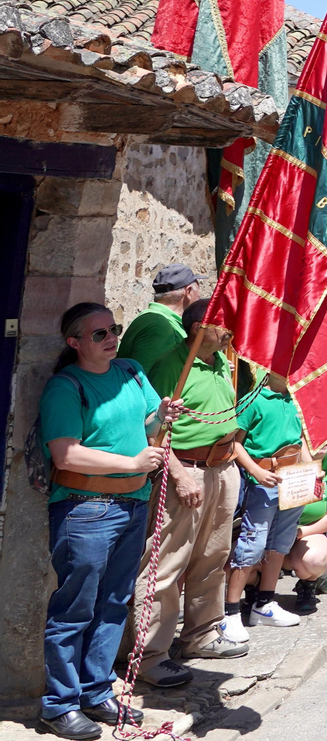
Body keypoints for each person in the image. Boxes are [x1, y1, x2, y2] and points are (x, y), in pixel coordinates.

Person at [37, 302, 176, 739]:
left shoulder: (132, 372)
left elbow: (150, 422)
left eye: (113, 329)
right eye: (99, 334)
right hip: (85, 507)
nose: (111, 337)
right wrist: (132, 461)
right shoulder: (66, 387)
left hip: (132, 504)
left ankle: (96, 692)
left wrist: (162, 416)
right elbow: (66, 453)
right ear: (74, 342)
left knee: (115, 602)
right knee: (75, 608)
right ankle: (59, 703)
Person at [126, 296, 244, 685]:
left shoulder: (221, 361)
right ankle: (149, 655)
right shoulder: (169, 366)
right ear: (198, 329)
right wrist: (178, 474)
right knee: (164, 562)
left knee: (213, 556)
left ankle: (202, 634)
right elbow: (155, 427)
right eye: (223, 324)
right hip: (187, 470)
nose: (230, 331)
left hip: (221, 467)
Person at [220, 370, 308, 638]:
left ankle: (265, 603)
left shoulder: (297, 399)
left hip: (294, 480)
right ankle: (230, 611)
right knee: (252, 544)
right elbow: (235, 444)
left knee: (280, 543)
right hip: (262, 482)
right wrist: (256, 472)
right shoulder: (253, 400)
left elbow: (300, 439)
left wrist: (311, 468)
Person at [282, 444, 327, 616]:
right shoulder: (285, 459)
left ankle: (308, 584)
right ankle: (256, 589)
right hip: (277, 530)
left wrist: (300, 533)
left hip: (307, 532)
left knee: (315, 561)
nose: (322, 441)